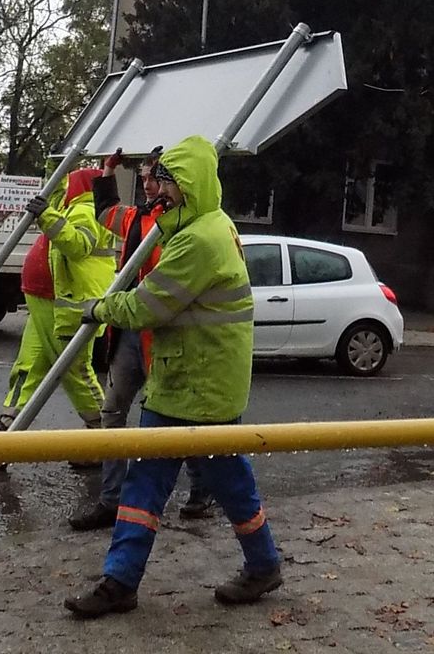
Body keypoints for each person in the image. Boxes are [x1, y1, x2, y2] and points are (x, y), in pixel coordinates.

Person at [64, 135, 282, 618]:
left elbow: (147, 307)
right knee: (164, 485)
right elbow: (119, 222)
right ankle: (123, 580)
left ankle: (260, 565)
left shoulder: (197, 241)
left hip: (196, 387)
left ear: (190, 184)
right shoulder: (207, 224)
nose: (159, 189)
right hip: (193, 383)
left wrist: (98, 308)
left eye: (166, 181)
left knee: (210, 485)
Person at [67, 149, 214, 530]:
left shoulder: (181, 225)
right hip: (129, 332)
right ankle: (112, 499)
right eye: (145, 178)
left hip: (164, 337)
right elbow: (106, 212)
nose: (149, 185)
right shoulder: (137, 217)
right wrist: (107, 173)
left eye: (156, 178)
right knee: (113, 411)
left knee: (176, 419)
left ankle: (202, 490)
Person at [0, 168, 118, 437]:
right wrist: (56, 167)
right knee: (30, 366)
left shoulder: (87, 210)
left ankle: (103, 433)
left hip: (65, 306)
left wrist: (46, 215)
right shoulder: (74, 207)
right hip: (48, 301)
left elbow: (77, 246)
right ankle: (8, 425)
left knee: (73, 370)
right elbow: (56, 190)